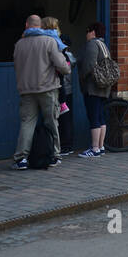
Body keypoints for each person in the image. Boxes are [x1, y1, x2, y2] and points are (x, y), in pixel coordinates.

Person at [13, 14, 71, 170]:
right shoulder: (49, 42)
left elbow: (16, 65)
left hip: (26, 90)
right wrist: (67, 67)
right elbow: (62, 66)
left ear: (27, 25)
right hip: (48, 89)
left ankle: (21, 158)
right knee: (51, 122)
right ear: (40, 26)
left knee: (27, 124)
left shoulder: (19, 44)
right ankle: (54, 155)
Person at [42, 16, 77, 156]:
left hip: (60, 89)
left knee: (61, 119)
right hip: (61, 88)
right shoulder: (57, 44)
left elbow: (65, 68)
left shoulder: (58, 47)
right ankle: (63, 146)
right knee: (61, 118)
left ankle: (64, 146)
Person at [79, 20, 111, 158]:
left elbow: (89, 66)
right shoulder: (103, 44)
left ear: (92, 32)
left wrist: (82, 76)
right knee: (100, 117)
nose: (86, 34)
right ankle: (101, 146)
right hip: (104, 86)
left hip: (93, 87)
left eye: (87, 31)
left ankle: (94, 148)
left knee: (94, 117)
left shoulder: (92, 44)